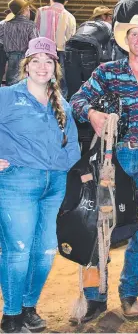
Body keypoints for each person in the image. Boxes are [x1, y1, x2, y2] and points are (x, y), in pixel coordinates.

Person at [70, 14, 138, 324]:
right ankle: (94, 297)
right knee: (96, 227)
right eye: (134, 35)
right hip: (111, 158)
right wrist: (91, 114)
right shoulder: (107, 72)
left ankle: (129, 292)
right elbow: (77, 99)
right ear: (126, 40)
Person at [0, 37, 80, 333]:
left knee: (45, 251)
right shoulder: (7, 96)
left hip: (53, 184)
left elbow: (73, 144)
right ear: (26, 65)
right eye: (36, 61)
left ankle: (29, 306)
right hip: (17, 181)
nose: (42, 67)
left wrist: (60, 164)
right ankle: (11, 314)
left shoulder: (63, 104)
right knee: (18, 249)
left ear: (55, 67)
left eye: (49, 61)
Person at [64, 6, 113, 99]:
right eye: (110, 16)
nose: (111, 19)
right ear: (103, 16)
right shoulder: (107, 26)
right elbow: (108, 48)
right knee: (91, 85)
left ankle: (72, 108)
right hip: (89, 49)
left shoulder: (84, 24)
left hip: (70, 48)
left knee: (73, 85)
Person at [36, 0, 76, 98]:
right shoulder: (70, 17)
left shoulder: (41, 11)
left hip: (43, 50)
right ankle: (61, 107)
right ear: (65, 1)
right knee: (60, 81)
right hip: (61, 52)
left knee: (42, 78)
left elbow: (36, 32)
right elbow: (71, 37)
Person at [0, 0, 38, 85]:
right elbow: (35, 43)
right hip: (24, 57)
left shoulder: (4, 24)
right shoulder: (31, 25)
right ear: (25, 10)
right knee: (22, 84)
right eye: (28, 9)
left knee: (11, 83)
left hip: (9, 57)